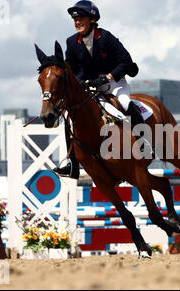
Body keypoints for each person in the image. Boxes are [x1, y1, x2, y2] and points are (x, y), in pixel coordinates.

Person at [54, 0, 143, 179]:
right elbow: (71, 70)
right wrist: (80, 83)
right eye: (75, 19)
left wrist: (109, 76)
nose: (77, 22)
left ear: (92, 19)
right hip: (90, 88)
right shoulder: (71, 42)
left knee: (125, 104)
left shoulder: (106, 38)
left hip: (113, 83)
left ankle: (144, 141)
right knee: (70, 118)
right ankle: (72, 163)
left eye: (81, 18)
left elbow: (126, 61)